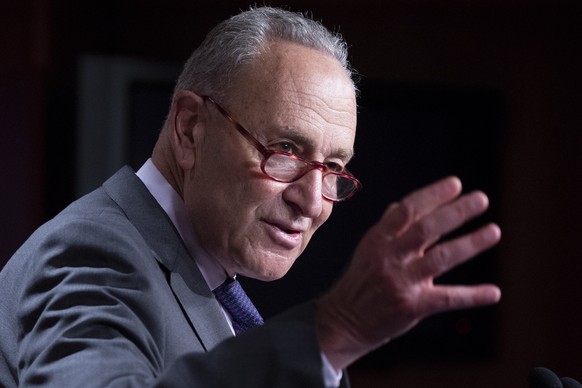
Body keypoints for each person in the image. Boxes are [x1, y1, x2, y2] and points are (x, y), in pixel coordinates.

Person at [0, 6, 501, 387]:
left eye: (333, 168)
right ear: (191, 128)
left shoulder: (204, 276)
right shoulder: (96, 253)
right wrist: (334, 330)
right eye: (284, 150)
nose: (311, 202)